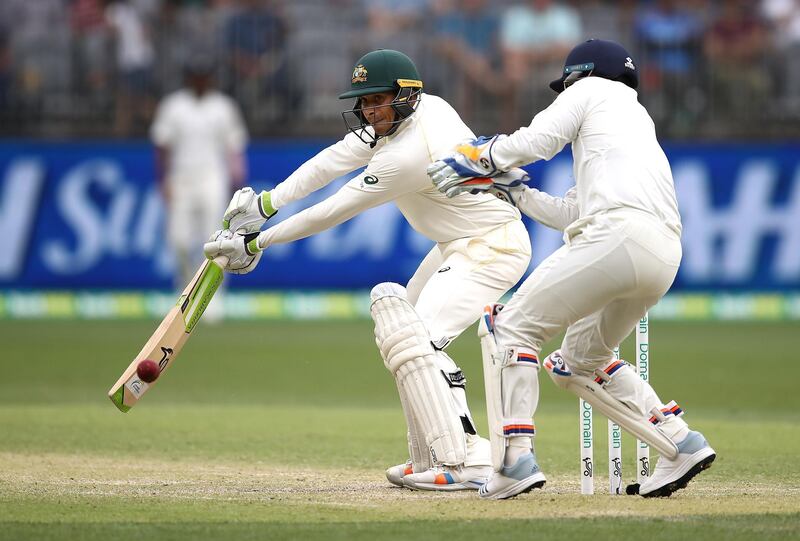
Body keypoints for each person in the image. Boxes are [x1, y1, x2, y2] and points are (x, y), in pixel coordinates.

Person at [203, 49, 532, 491]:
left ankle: (469, 458)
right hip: (460, 243)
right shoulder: (413, 114)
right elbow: (333, 159)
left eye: (378, 100)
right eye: (363, 102)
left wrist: (256, 242)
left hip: (493, 246)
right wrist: (266, 204)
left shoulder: (408, 153)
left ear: (406, 95)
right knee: (401, 339)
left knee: (421, 342)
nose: (368, 111)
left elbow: (333, 210)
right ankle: (434, 454)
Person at [428, 39, 716, 499]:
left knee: (507, 329)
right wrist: (514, 191)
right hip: (662, 254)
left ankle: (514, 460)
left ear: (582, 75)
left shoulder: (590, 91)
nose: (562, 94)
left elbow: (537, 142)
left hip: (617, 236)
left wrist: (482, 156)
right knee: (575, 364)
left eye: (565, 85)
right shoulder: (633, 126)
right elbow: (570, 212)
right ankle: (680, 441)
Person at [151, 57, 248, 295]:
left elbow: (234, 147)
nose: (201, 81)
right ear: (188, 78)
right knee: (179, 239)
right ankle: (184, 290)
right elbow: (162, 146)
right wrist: (163, 180)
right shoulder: (174, 105)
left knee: (215, 241)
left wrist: (238, 179)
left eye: (205, 76)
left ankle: (212, 297)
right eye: (197, 76)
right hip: (181, 177)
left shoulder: (223, 106)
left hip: (213, 177)